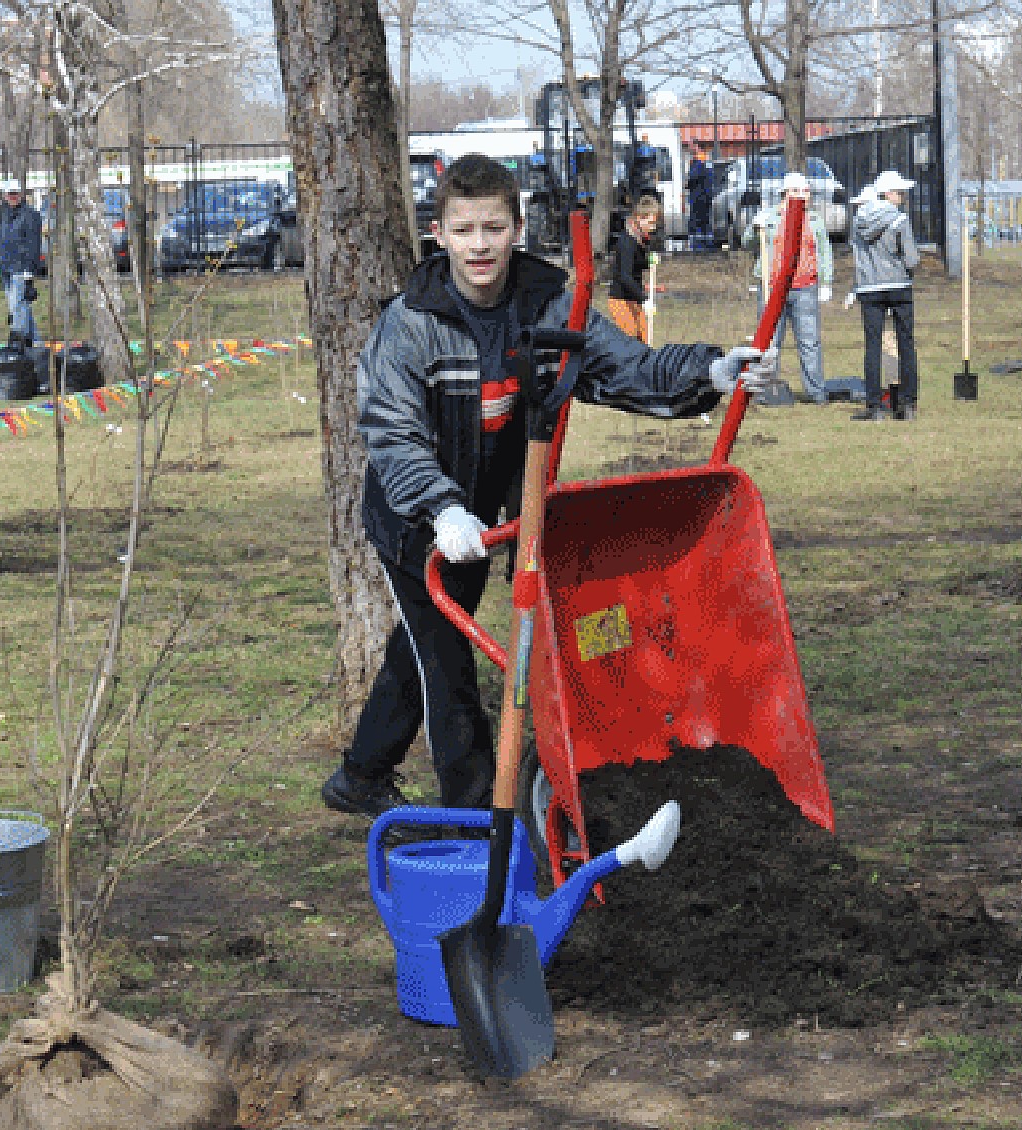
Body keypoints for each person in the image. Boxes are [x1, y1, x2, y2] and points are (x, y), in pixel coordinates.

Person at [321, 153, 778, 817]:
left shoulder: (548, 305)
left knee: (422, 649)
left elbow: (630, 370)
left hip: (485, 513)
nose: (480, 245)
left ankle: (359, 777)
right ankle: (479, 816)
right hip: (414, 516)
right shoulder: (411, 323)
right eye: (465, 229)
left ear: (516, 230)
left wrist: (711, 371)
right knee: (446, 666)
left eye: (493, 228)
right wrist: (441, 509)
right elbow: (392, 434)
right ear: (439, 234)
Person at [753, 171, 834, 405]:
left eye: (806, 191)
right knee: (769, 342)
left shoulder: (815, 221)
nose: (802, 195)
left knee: (809, 342)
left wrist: (825, 281)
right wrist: (754, 227)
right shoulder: (770, 217)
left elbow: (824, 252)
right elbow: (750, 243)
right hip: (773, 287)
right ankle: (765, 391)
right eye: (797, 191)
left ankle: (816, 392)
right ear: (785, 194)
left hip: (805, 287)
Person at [848, 169, 920, 421]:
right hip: (899, 285)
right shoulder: (900, 220)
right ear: (888, 193)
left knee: (873, 346)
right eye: (900, 192)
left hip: (869, 288)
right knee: (905, 344)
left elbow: (857, 255)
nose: (902, 196)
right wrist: (911, 265)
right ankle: (908, 403)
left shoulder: (858, 220)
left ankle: (875, 406)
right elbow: (911, 257)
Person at [608, 193, 661, 343]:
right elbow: (625, 276)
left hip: (634, 298)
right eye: (650, 223)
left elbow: (635, 264)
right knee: (630, 341)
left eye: (654, 223)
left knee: (644, 339)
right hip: (620, 300)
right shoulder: (627, 242)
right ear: (639, 218)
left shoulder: (640, 239)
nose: (653, 227)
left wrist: (648, 262)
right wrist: (644, 300)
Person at [0, 179, 42, 344]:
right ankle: (36, 343)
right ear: (5, 195)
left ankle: (18, 342)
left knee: (18, 307)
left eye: (15, 193)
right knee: (20, 308)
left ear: (21, 194)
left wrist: (29, 274)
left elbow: (34, 246)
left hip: (21, 269)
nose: (13, 197)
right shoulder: (3, 214)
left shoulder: (31, 215)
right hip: (6, 268)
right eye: (10, 194)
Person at [686, 149, 713, 250]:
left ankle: (698, 246)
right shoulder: (707, 165)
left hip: (698, 198)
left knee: (697, 222)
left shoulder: (698, 165)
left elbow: (692, 179)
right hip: (706, 198)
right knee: (705, 222)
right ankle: (706, 244)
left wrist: (688, 184)